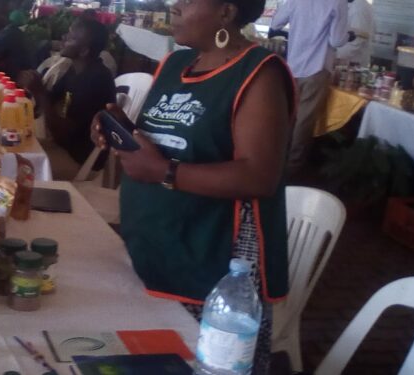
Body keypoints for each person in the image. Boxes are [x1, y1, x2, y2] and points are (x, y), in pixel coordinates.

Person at [92, 0, 295, 371]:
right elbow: (168, 140)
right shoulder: (174, 65)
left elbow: (259, 176)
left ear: (226, 12)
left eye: (187, 0)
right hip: (156, 244)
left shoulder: (258, 73)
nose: (174, 6)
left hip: (213, 262)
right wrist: (124, 130)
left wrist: (164, 172)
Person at [22, 18, 117, 180]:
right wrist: (33, 88)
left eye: (71, 38)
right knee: (10, 148)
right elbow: (47, 102)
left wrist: (40, 93)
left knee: (15, 167)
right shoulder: (74, 70)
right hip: (63, 147)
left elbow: (62, 133)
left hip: (79, 159)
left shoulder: (95, 79)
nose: (63, 38)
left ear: (84, 51)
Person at [271, 0, 348, 178]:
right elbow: (337, 40)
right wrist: (348, 35)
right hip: (317, 66)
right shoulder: (338, 2)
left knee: (289, 115)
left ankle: (277, 160)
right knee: (304, 120)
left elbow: (276, 23)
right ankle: (292, 169)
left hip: (293, 65)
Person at [336, 0, 375, 66]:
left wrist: (334, 55)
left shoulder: (359, 8)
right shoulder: (353, 5)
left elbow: (356, 42)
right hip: (347, 61)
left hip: (353, 63)